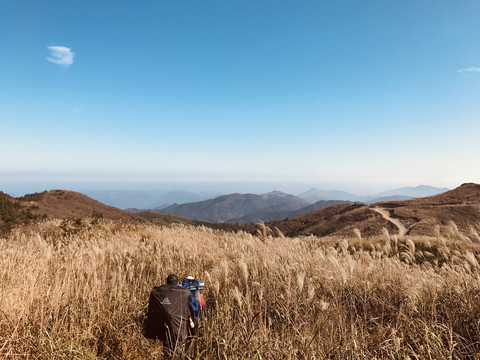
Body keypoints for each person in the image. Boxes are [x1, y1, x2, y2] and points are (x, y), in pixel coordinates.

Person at [143, 273, 198, 357]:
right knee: (177, 349)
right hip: (178, 327)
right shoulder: (184, 292)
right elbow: (186, 309)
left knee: (166, 347)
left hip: (160, 327)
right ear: (177, 283)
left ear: (166, 282)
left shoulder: (156, 292)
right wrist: (190, 320)